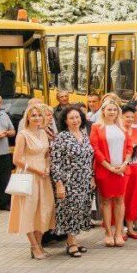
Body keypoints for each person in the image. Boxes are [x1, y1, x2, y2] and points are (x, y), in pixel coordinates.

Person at [7, 104, 54, 259]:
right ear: (27, 117)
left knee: (44, 210)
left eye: (39, 115)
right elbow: (16, 159)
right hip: (29, 176)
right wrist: (36, 170)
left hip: (44, 176)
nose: (37, 118)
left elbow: (47, 154)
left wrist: (46, 167)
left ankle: (39, 244)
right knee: (29, 211)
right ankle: (34, 246)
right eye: (33, 115)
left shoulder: (44, 133)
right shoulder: (23, 135)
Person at [50, 105, 94, 257]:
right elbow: (55, 162)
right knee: (71, 211)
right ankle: (71, 242)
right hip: (69, 180)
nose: (75, 120)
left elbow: (89, 158)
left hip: (84, 179)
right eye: (71, 118)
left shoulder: (84, 133)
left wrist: (92, 177)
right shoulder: (61, 137)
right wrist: (59, 184)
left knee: (81, 210)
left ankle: (73, 239)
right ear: (65, 121)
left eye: (77, 117)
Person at [91, 97, 129, 247]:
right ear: (103, 111)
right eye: (109, 109)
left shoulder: (122, 126)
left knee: (120, 200)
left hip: (122, 170)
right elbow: (95, 149)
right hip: (105, 170)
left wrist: (125, 163)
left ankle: (119, 232)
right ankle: (108, 232)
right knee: (106, 201)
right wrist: (109, 166)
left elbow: (129, 147)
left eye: (115, 109)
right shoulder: (96, 127)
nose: (112, 112)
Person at [120, 102, 137, 240]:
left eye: (132, 116)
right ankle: (120, 229)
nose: (130, 119)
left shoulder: (136, 131)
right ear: (121, 117)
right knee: (121, 199)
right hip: (124, 169)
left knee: (134, 198)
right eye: (127, 117)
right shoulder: (119, 131)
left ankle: (130, 227)